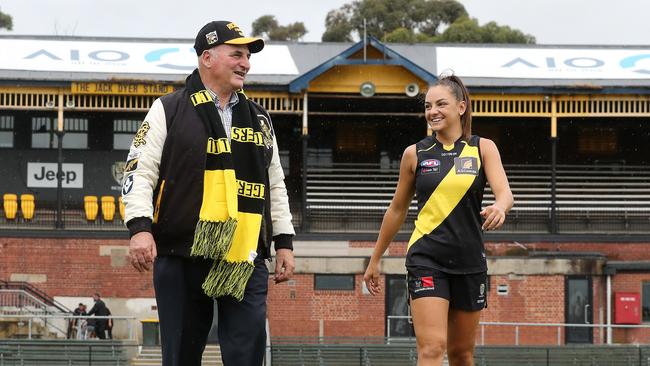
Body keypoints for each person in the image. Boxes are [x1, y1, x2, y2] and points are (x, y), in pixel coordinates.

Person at [122, 20, 295, 366]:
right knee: (181, 355)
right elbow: (139, 171)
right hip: (182, 250)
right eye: (237, 54)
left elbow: (275, 183)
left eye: (247, 56)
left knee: (247, 354)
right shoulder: (168, 108)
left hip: (243, 253)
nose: (245, 63)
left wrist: (284, 242)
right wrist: (140, 227)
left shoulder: (260, 119)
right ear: (207, 58)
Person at [363, 73, 513, 366]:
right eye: (428, 106)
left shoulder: (483, 148)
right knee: (432, 349)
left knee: (461, 355)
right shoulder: (414, 154)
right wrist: (375, 259)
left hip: (470, 262)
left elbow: (505, 193)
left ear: (461, 107)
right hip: (426, 259)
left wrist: (500, 207)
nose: (433, 111)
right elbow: (396, 210)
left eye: (441, 104)